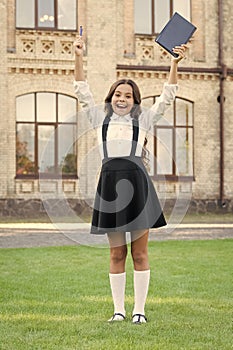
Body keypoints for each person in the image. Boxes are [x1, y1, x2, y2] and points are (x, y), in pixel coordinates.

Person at [73, 35, 187, 324]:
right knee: (116, 253)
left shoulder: (144, 119)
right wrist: (78, 55)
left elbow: (168, 96)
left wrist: (174, 63)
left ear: (135, 101)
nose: (121, 99)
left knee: (139, 253)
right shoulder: (99, 119)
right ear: (110, 99)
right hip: (110, 186)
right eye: (117, 95)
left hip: (138, 186)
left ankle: (139, 311)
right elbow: (81, 90)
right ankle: (118, 311)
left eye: (127, 96)